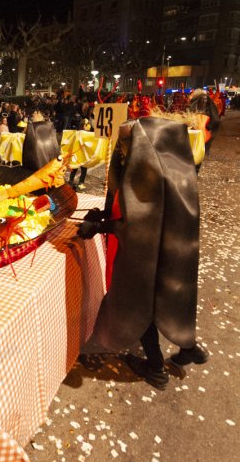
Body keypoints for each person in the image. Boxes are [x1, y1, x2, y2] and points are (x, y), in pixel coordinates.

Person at [77, 117, 208, 390]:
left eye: (127, 141)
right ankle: (188, 347)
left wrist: (101, 226)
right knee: (172, 296)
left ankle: (156, 367)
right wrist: (103, 213)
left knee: (141, 304)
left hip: (147, 254)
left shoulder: (147, 169)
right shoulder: (173, 163)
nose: (122, 148)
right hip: (174, 250)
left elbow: (138, 227)